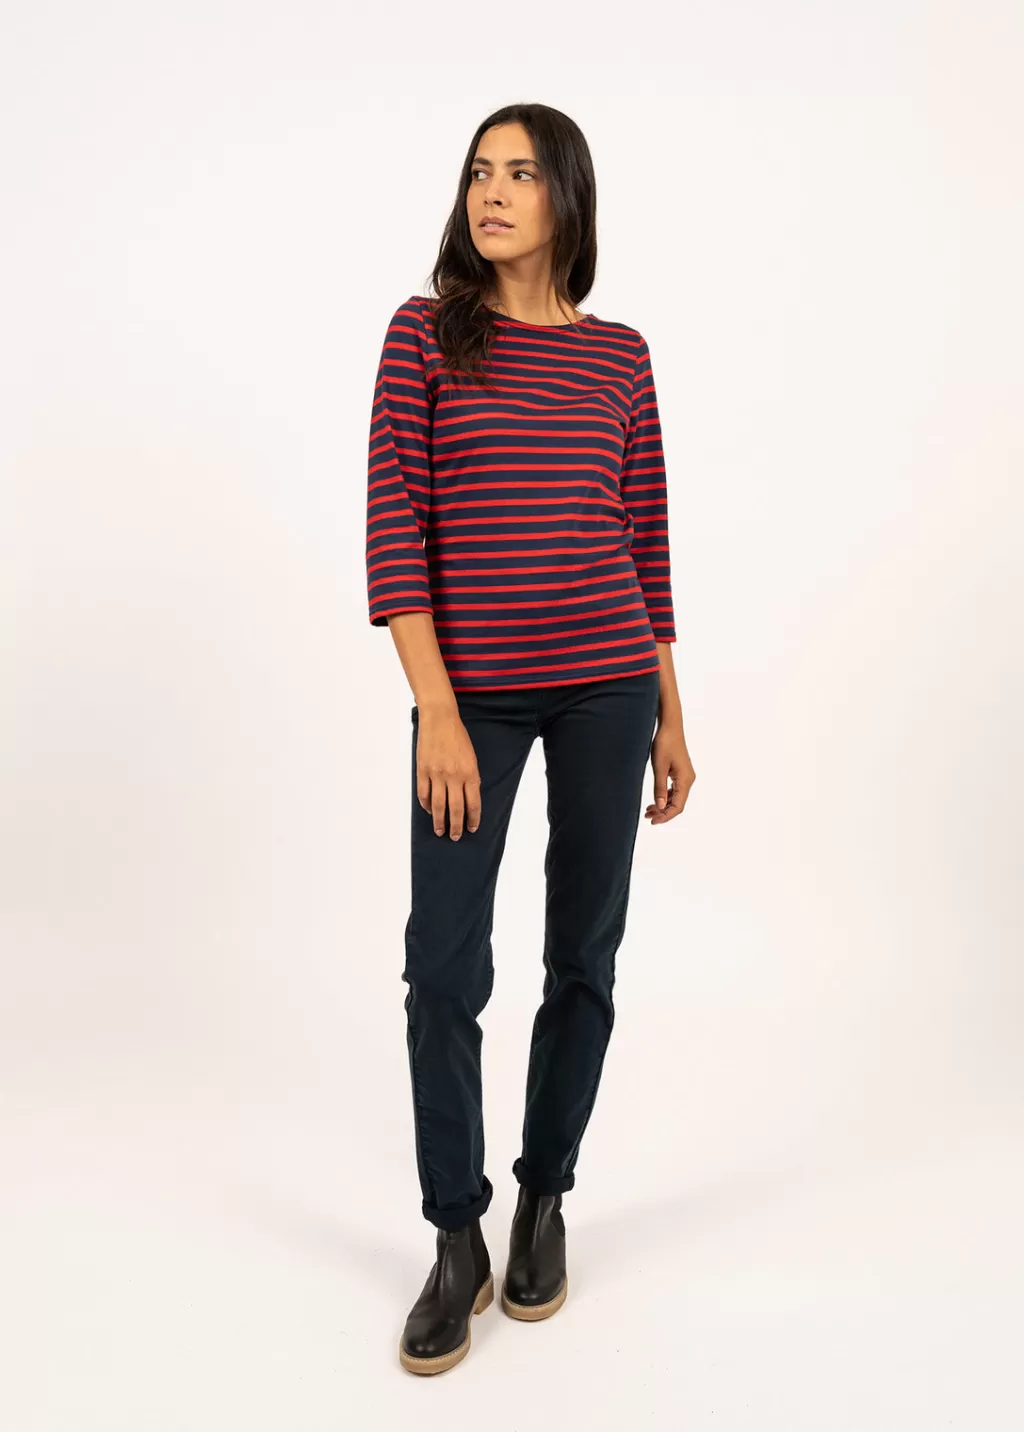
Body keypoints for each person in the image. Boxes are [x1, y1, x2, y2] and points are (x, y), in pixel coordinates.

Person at [365, 102, 696, 1376]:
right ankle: (456, 1236)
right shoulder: (424, 334)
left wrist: (671, 709)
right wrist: (438, 711)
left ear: (567, 196)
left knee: (584, 957)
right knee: (443, 968)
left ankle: (543, 1195)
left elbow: (644, 542)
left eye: (518, 173)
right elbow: (394, 528)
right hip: (475, 700)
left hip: (610, 686)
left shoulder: (621, 356)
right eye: (476, 172)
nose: (490, 192)